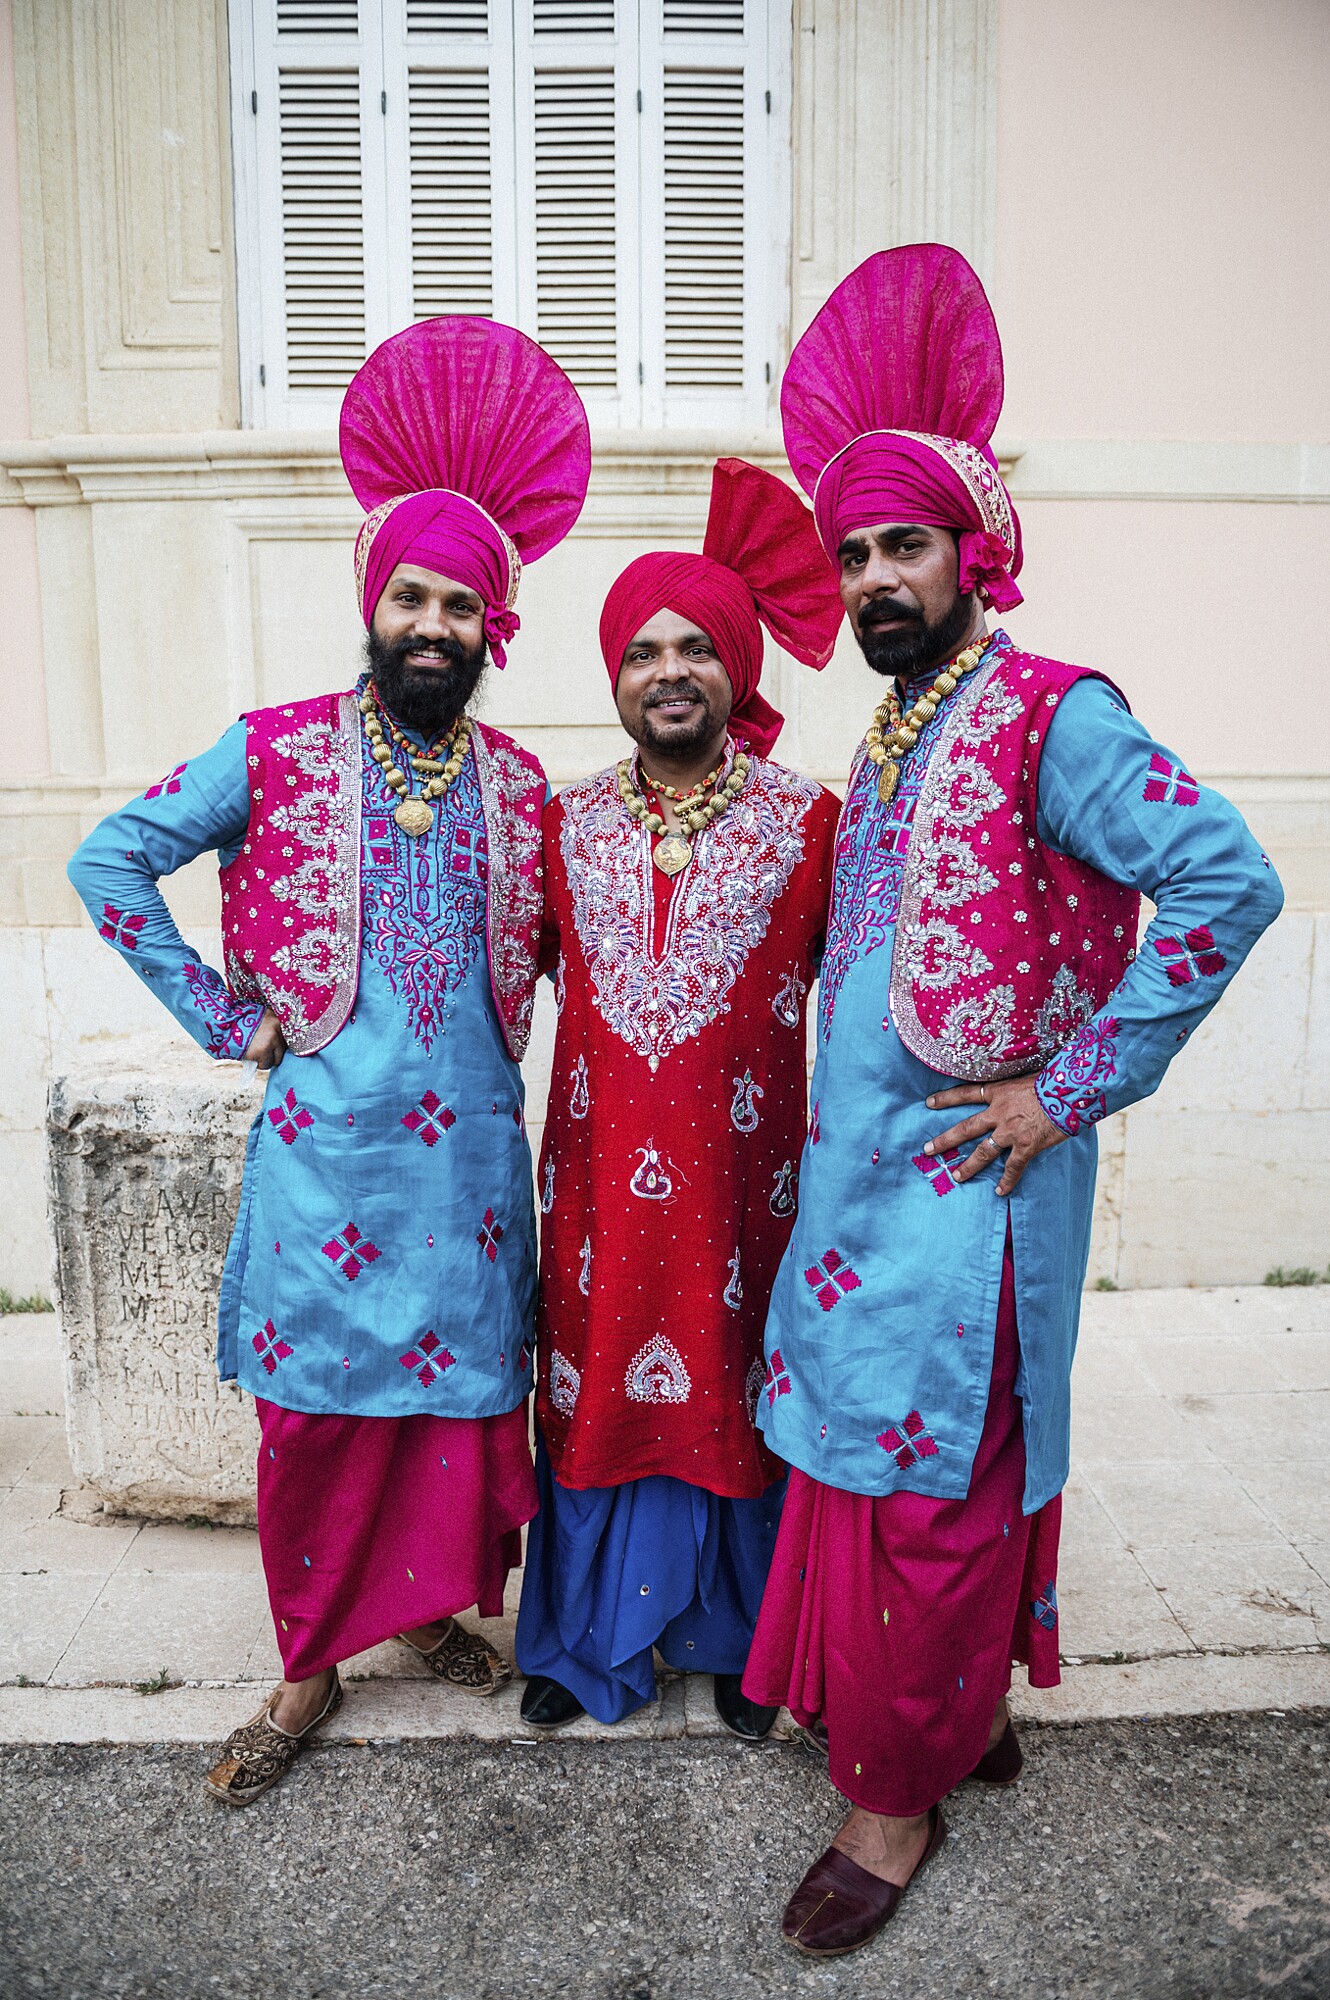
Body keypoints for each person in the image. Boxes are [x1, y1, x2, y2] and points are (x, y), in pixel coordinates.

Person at [740, 244, 1284, 1955]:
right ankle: (947, 1722)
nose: (878, 579)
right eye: (856, 556)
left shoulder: (1055, 713)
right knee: (877, 1481)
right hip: (863, 1209)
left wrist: (1074, 1087)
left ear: (975, 555)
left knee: (938, 1500)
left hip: (973, 1206)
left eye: (906, 547)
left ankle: (889, 1810)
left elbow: (1226, 880)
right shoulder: (894, 737)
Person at [67, 316, 591, 1805]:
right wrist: (228, 1021)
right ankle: (308, 1671)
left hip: (473, 1174)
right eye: (412, 597)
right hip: (328, 1164)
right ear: (375, 603)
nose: (434, 627)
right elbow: (112, 861)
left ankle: (427, 1614)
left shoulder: (518, 785)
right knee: (318, 1424)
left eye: (462, 609)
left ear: (495, 631)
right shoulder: (276, 748)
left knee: (452, 1413)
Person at [514, 458, 844, 1735]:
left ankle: (744, 1642)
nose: (669, 669)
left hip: (747, 1196)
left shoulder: (812, 822)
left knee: (736, 1378)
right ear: (614, 676)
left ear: (738, 668)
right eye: (644, 648)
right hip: (599, 1186)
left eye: (697, 648)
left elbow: (871, 997)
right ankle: (588, 1634)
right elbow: (488, 980)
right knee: (596, 1378)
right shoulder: (559, 821)